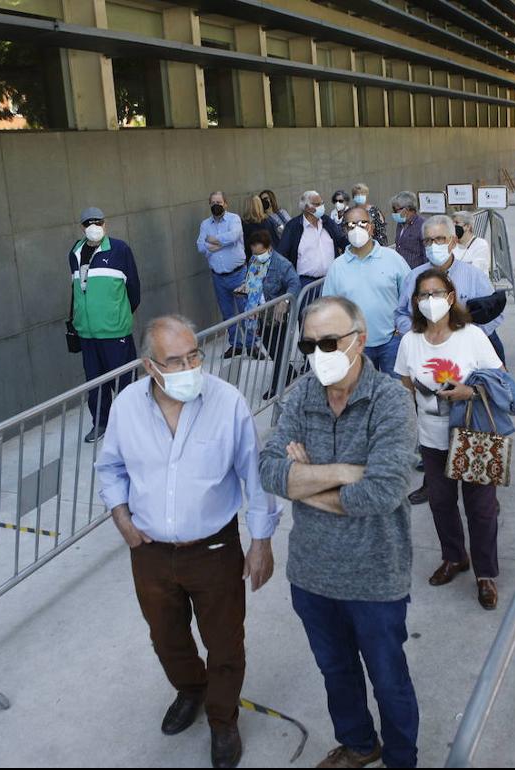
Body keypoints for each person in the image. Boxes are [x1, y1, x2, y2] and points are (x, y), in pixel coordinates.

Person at [95, 316, 277, 769]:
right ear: (149, 366)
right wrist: (121, 516)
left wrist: (261, 541)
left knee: (225, 642)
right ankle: (191, 689)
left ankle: (222, 719)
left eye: (194, 355)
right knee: (166, 637)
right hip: (150, 551)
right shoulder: (126, 408)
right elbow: (111, 466)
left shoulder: (227, 401)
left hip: (214, 549)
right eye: (175, 360)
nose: (190, 366)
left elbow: (253, 476)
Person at [258, 296, 419, 770]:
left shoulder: (390, 401)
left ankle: (401, 759)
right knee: (336, 671)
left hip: (375, 576)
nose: (317, 353)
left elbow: (383, 492)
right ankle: (358, 743)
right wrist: (347, 472)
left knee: (389, 679)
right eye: (310, 344)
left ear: (360, 340)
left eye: (329, 342)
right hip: (312, 574)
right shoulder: (301, 395)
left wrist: (303, 483)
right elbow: (269, 471)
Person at [394, 269, 505, 609]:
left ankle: (485, 574)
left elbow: (499, 380)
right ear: (415, 302)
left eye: (437, 293)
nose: (430, 301)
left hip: (475, 433)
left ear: (452, 296)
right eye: (423, 295)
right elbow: (406, 385)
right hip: (432, 439)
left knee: (482, 509)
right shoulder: (410, 341)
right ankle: (454, 557)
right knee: (441, 504)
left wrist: (469, 391)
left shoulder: (470, 335)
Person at [70, 207, 141, 443]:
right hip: (87, 333)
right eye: (89, 222)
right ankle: (101, 423)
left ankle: (133, 424)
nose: (93, 226)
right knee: (95, 383)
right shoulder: (75, 252)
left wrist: (116, 315)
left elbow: (134, 291)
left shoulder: (120, 249)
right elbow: (77, 292)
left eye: (97, 221)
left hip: (115, 331)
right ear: (82, 227)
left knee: (125, 382)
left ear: (105, 223)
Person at [394, 214, 506, 363]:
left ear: (453, 242)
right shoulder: (413, 278)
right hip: (426, 355)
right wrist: (419, 335)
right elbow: (401, 314)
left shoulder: (474, 276)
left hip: (467, 355)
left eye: (440, 239)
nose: (433, 245)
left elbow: (494, 314)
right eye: (428, 241)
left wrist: (467, 337)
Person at [324, 205, 412, 376]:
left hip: (392, 342)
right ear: (345, 230)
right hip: (355, 345)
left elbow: (410, 295)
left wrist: (403, 326)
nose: (357, 228)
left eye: (363, 223)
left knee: (396, 395)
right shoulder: (337, 267)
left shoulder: (393, 258)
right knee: (361, 397)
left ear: (371, 227)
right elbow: (329, 307)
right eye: (351, 225)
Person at [240, 229, 301, 399]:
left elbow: (294, 284)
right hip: (259, 313)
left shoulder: (282, 264)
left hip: (277, 315)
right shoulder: (254, 259)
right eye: (254, 252)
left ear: (269, 248)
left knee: (279, 349)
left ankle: (277, 386)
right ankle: (288, 372)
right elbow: (253, 280)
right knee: (271, 348)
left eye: (260, 253)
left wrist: (285, 301)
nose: (256, 256)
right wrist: (246, 288)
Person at [197, 191, 251, 358]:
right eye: (213, 202)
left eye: (219, 202)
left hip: (238, 275)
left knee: (245, 311)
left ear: (226, 204)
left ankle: (252, 345)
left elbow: (234, 236)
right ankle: (236, 345)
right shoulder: (205, 224)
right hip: (218, 278)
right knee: (227, 314)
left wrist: (212, 241)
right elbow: (200, 246)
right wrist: (221, 243)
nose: (216, 205)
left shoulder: (234, 219)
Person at [276, 190, 348, 290]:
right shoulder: (293, 227)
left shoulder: (327, 222)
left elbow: (343, 241)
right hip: (306, 285)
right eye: (317, 204)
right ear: (307, 208)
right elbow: (281, 255)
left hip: (331, 279)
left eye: (322, 203)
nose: (321, 206)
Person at [390, 191, 428, 269]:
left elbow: (426, 254)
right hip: (401, 270)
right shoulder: (400, 224)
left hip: (416, 273)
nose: (394, 213)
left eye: (395, 209)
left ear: (406, 209)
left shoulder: (423, 225)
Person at [241, 194, 279, 261]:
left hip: (254, 261)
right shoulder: (269, 221)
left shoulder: (244, 225)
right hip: (271, 258)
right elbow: (276, 241)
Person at [451, 211, 491, 275]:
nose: (453, 226)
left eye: (456, 223)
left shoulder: (481, 244)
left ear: (468, 226)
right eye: (452, 223)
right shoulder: (451, 244)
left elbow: (475, 271)